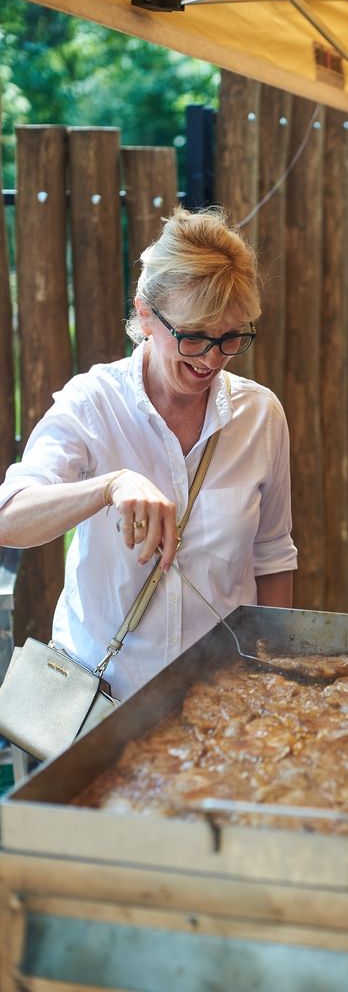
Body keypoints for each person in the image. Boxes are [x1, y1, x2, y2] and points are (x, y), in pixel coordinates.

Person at [0, 206, 297, 700]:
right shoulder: (93, 402)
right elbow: (9, 518)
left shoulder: (260, 416)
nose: (212, 359)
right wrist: (110, 486)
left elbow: (272, 554)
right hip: (103, 702)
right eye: (194, 336)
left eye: (230, 337)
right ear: (145, 314)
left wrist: (273, 674)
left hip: (222, 698)